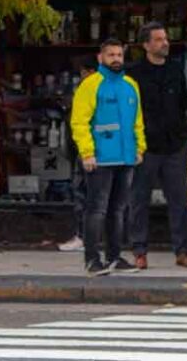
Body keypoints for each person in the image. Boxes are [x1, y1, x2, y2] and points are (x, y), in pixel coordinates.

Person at [70, 38, 146, 277]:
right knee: (96, 210)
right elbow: (80, 121)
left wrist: (140, 148)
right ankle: (92, 259)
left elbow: (137, 121)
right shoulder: (91, 85)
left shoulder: (130, 85)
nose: (116, 59)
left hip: (125, 158)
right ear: (100, 57)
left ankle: (114, 257)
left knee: (118, 210)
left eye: (119, 55)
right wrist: (87, 153)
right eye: (111, 55)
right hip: (100, 159)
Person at [127, 22, 187, 270]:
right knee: (139, 200)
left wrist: (181, 135)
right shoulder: (134, 74)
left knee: (178, 200)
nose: (164, 43)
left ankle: (182, 250)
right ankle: (139, 250)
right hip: (145, 146)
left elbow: (181, 104)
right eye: (158, 39)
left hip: (173, 145)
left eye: (165, 38)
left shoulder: (175, 71)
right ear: (146, 45)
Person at [58, 57, 99, 252]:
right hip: (87, 149)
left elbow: (81, 123)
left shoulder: (89, 91)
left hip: (87, 150)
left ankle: (84, 237)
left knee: (84, 194)